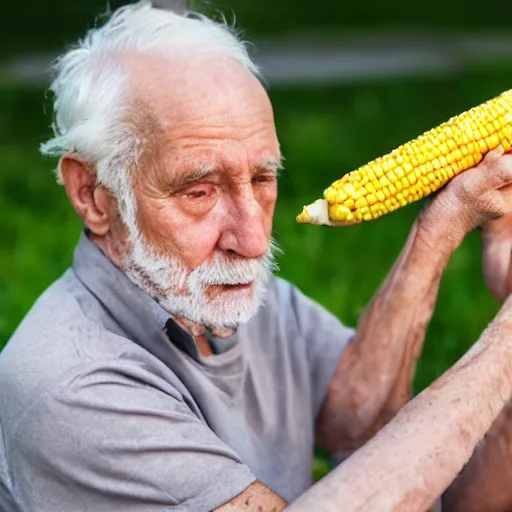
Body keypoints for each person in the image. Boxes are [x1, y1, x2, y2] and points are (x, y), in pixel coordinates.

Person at [1, 2, 512, 511]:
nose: (254, 241)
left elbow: (356, 419)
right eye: (199, 192)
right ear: (92, 193)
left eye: (262, 179)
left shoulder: (210, 289)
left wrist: (442, 225)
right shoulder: (75, 388)